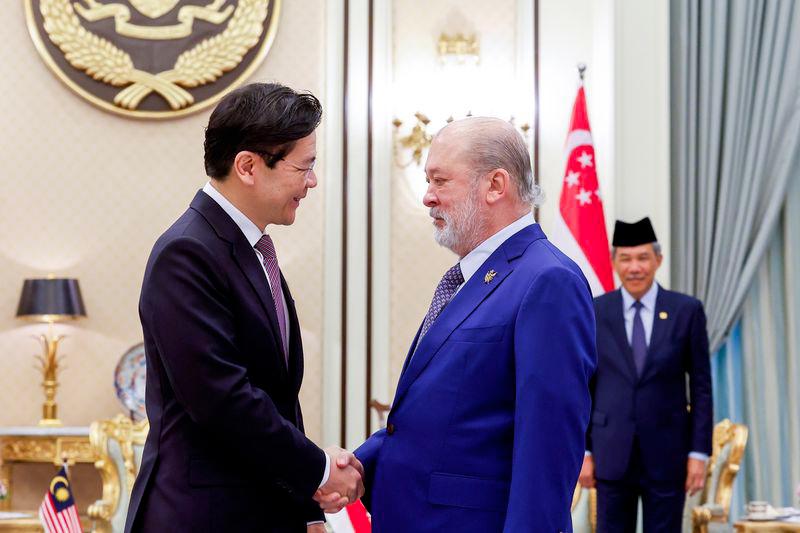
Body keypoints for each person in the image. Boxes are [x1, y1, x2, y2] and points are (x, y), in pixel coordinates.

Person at [124, 82, 363, 533]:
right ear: (249, 166)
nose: (311, 182)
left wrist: (308, 506)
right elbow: (223, 399)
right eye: (303, 167)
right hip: (203, 518)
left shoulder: (249, 248)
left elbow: (276, 398)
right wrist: (318, 469)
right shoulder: (187, 252)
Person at [351, 117, 597, 532]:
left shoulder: (547, 280)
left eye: (439, 180)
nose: (427, 197)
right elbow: (442, 419)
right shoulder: (471, 277)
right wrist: (355, 466)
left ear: (496, 185)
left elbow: (547, 448)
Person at [579, 217, 712, 532]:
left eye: (642, 258)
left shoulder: (686, 311)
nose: (634, 267)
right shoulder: (596, 311)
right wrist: (583, 451)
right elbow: (584, 385)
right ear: (614, 262)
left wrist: (698, 453)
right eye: (625, 259)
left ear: (658, 260)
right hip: (610, 453)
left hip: (668, 454)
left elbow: (702, 388)